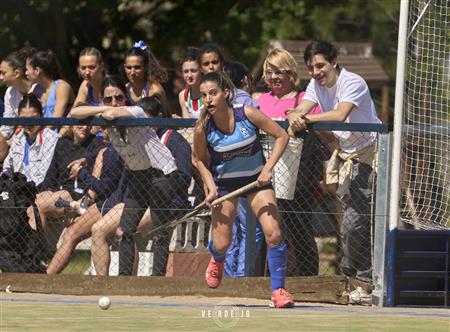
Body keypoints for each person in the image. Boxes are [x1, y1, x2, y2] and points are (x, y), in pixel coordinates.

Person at [192, 71, 294, 308]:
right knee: (222, 243)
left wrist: (268, 168)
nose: (208, 99)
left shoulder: (246, 114)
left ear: (225, 93)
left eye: (213, 93)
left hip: (257, 181)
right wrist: (210, 187)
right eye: (204, 95)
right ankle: (216, 258)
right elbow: (197, 159)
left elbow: (281, 135)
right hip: (224, 185)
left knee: (274, 233)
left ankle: (278, 290)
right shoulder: (202, 129)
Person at [287, 40, 381, 283]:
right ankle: (355, 278)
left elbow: (340, 115)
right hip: (343, 157)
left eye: (320, 65)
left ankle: (359, 278)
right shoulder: (314, 86)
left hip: (369, 156)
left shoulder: (353, 82)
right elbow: (298, 109)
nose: (316, 72)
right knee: (349, 225)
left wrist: (305, 118)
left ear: (334, 62)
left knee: (356, 223)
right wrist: (293, 114)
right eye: (310, 67)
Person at [70, 75, 179, 276]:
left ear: (126, 98)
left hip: (161, 173)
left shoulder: (136, 111)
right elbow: (74, 112)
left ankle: (158, 282)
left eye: (119, 97)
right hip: (138, 176)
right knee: (123, 231)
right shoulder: (106, 113)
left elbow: (112, 115)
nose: (114, 102)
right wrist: (102, 109)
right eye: (108, 99)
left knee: (159, 232)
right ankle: (125, 280)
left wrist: (105, 111)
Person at [257, 48, 323, 276]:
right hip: (267, 176)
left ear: (290, 73)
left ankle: (308, 278)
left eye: (279, 72)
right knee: (272, 230)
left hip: (300, 177)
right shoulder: (260, 101)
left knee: (300, 229)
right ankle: (272, 277)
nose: (274, 77)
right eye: (270, 72)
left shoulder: (305, 99)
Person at [45, 139, 124, 274]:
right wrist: (85, 159)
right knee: (70, 234)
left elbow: (102, 188)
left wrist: (81, 172)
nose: (100, 130)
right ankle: (47, 276)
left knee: (77, 234)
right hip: (104, 201)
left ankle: (46, 277)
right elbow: (98, 152)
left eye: (104, 126)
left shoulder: (113, 152)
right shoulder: (108, 147)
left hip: (113, 202)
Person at [223, 61, 264, 277]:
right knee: (252, 228)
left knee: (230, 226)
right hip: (248, 172)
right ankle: (242, 276)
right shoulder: (249, 102)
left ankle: (229, 276)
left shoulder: (218, 102)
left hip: (223, 171)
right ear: (245, 80)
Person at [34, 123, 105, 248]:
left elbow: (94, 181)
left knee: (39, 205)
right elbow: (52, 173)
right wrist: (46, 190)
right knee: (32, 203)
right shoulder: (62, 143)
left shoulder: (97, 144)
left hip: (78, 193)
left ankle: (39, 250)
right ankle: (33, 251)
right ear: (71, 126)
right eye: (80, 124)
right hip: (59, 191)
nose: (85, 127)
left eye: (88, 124)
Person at [2, 94, 59, 186]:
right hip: (15, 187)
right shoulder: (18, 135)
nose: (29, 124)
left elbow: (43, 176)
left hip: (38, 190)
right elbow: (8, 165)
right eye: (24, 119)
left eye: (33, 119)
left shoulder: (51, 138)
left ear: (41, 116)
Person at [0, 47, 42, 161]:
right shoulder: (10, 93)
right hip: (18, 140)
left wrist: (14, 139)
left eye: (3, 73)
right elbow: (8, 126)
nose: (1, 77)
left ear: (17, 73)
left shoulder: (39, 90)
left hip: (39, 140)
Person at [25, 49, 74, 118]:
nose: (26, 73)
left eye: (27, 69)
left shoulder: (61, 87)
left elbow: (56, 120)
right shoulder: (36, 90)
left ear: (37, 70)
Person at [123, 41, 168, 105]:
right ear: (124, 67)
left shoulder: (155, 91)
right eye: (129, 67)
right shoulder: (123, 91)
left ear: (146, 67)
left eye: (137, 67)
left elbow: (166, 114)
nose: (132, 72)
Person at [178, 47, 204, 119]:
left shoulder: (209, 93)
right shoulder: (183, 95)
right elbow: (186, 125)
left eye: (193, 71)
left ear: (201, 70)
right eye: (186, 71)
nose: (189, 75)